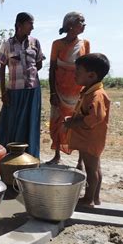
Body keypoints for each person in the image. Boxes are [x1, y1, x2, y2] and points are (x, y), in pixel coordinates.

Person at [0, 12, 45, 158]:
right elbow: (2, 67)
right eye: (30, 23)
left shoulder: (35, 42)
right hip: (14, 90)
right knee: (11, 122)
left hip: (32, 90)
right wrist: (3, 92)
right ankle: (10, 155)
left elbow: (39, 63)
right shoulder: (7, 44)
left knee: (30, 122)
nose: (32, 27)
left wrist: (28, 73)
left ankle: (30, 155)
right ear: (19, 25)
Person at [64, 53, 110, 207]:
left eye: (78, 71)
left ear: (91, 75)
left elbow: (96, 117)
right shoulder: (89, 91)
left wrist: (74, 122)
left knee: (91, 171)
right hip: (88, 139)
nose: (74, 74)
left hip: (90, 139)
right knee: (95, 168)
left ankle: (88, 199)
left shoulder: (96, 95)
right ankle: (95, 198)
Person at [48, 12, 90, 168]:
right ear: (71, 25)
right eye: (81, 21)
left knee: (78, 123)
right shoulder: (57, 44)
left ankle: (80, 161)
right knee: (58, 123)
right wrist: (52, 92)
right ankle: (57, 155)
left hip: (78, 92)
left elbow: (88, 68)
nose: (84, 24)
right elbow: (52, 69)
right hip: (59, 90)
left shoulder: (85, 43)